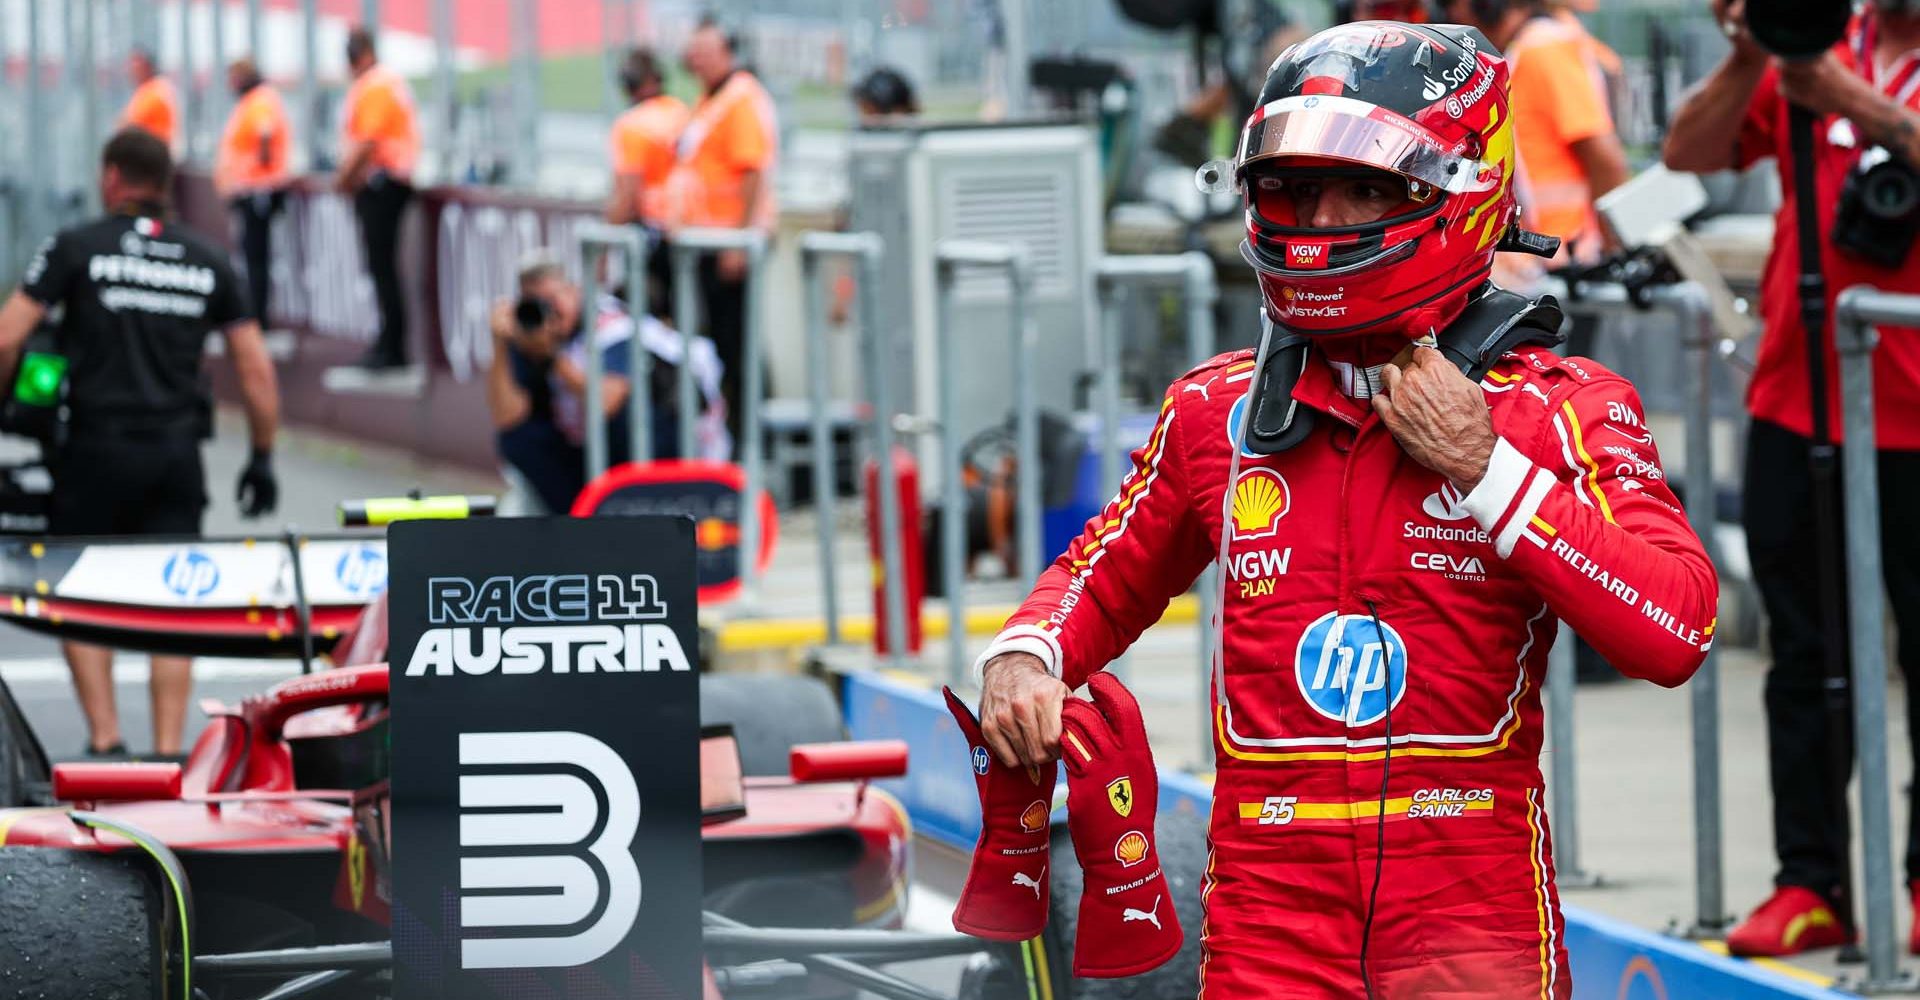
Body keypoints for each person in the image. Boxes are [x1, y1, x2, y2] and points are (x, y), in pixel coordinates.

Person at [973, 21, 1717, 996]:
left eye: (1365, 187)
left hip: (1470, 919)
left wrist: (1487, 470)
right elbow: (1096, 578)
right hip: (1266, 927)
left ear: (1461, 193)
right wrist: (1025, 655)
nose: (1321, 218)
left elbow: (1678, 628)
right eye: (1294, 185)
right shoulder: (1215, 411)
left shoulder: (1561, 409)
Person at [1664, 0, 1920, 959]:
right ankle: (1809, 882)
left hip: (1913, 408)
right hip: (1796, 400)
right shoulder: (1820, 36)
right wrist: (1750, 57)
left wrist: (1872, 112)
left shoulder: (1846, 73)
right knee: (1802, 656)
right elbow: (1689, 152)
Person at [0, 129, 280, 757]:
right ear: (167, 182)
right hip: (175, 455)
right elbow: (256, 370)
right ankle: (166, 750)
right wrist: (262, 456)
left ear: (110, 178)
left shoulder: (77, 247)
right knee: (173, 595)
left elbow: (5, 337)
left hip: (91, 450)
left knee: (79, 587)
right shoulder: (208, 259)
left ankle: (105, 740)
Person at [485, 255, 728, 514]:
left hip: (672, 445)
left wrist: (553, 358)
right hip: (590, 455)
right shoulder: (530, 332)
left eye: (553, 300)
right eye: (537, 303)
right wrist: (501, 345)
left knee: (627, 418)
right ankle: (576, 522)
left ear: (573, 292)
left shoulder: (612, 325)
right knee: (518, 439)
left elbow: (607, 401)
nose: (549, 313)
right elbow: (506, 418)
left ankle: (633, 512)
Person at [1443, 0, 1630, 272]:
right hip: (1550, 255)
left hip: (1572, 255)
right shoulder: (1525, 50)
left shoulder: (1542, 48)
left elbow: (1604, 159)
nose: (1451, 17)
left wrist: (1614, 254)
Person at [668, 19, 778, 442]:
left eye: (705, 50)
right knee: (720, 342)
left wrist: (739, 238)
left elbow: (752, 169)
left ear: (727, 52)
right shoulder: (710, 99)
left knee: (737, 343)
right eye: (693, 49)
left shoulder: (740, 98)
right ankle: (731, 431)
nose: (695, 58)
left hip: (730, 241)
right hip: (710, 240)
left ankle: (748, 439)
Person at [335, 27, 421, 371]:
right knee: (382, 269)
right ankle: (388, 344)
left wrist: (343, 181)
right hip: (386, 184)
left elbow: (367, 142)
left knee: (382, 269)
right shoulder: (384, 83)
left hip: (383, 185)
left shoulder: (376, 85)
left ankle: (392, 348)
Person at [214, 58, 292, 330]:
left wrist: (258, 171)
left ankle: (259, 317)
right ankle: (256, 314)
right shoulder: (254, 100)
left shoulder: (260, 101)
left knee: (257, 257)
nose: (230, 84)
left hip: (259, 190)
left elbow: (265, 135)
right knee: (252, 256)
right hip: (252, 189)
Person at [121, 47, 179, 150]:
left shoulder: (155, 91)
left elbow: (132, 123)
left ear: (148, 67)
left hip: (153, 153)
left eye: (137, 68)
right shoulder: (146, 91)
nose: (132, 72)